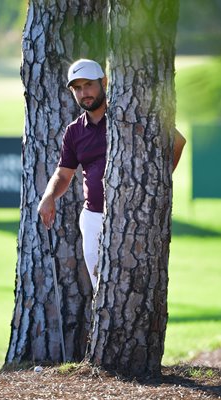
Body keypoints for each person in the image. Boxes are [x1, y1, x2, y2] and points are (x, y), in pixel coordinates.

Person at [38, 59, 186, 288]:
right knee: (102, 291)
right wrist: (49, 196)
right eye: (77, 88)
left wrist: (160, 181)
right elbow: (63, 174)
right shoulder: (74, 131)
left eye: (88, 84)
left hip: (133, 218)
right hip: (93, 218)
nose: (84, 92)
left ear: (104, 82)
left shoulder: (131, 116)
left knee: (134, 291)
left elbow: (177, 142)